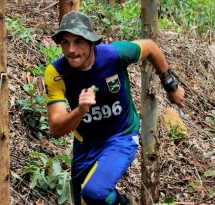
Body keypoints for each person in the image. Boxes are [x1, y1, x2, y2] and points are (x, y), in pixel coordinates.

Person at [44, 11, 185, 205]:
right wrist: (80, 111)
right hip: (86, 143)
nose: (71, 50)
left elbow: (151, 48)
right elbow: (56, 128)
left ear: (91, 41)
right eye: (65, 43)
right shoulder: (57, 73)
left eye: (78, 42)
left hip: (121, 135)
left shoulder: (114, 55)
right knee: (84, 200)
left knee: (94, 193)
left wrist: (170, 84)